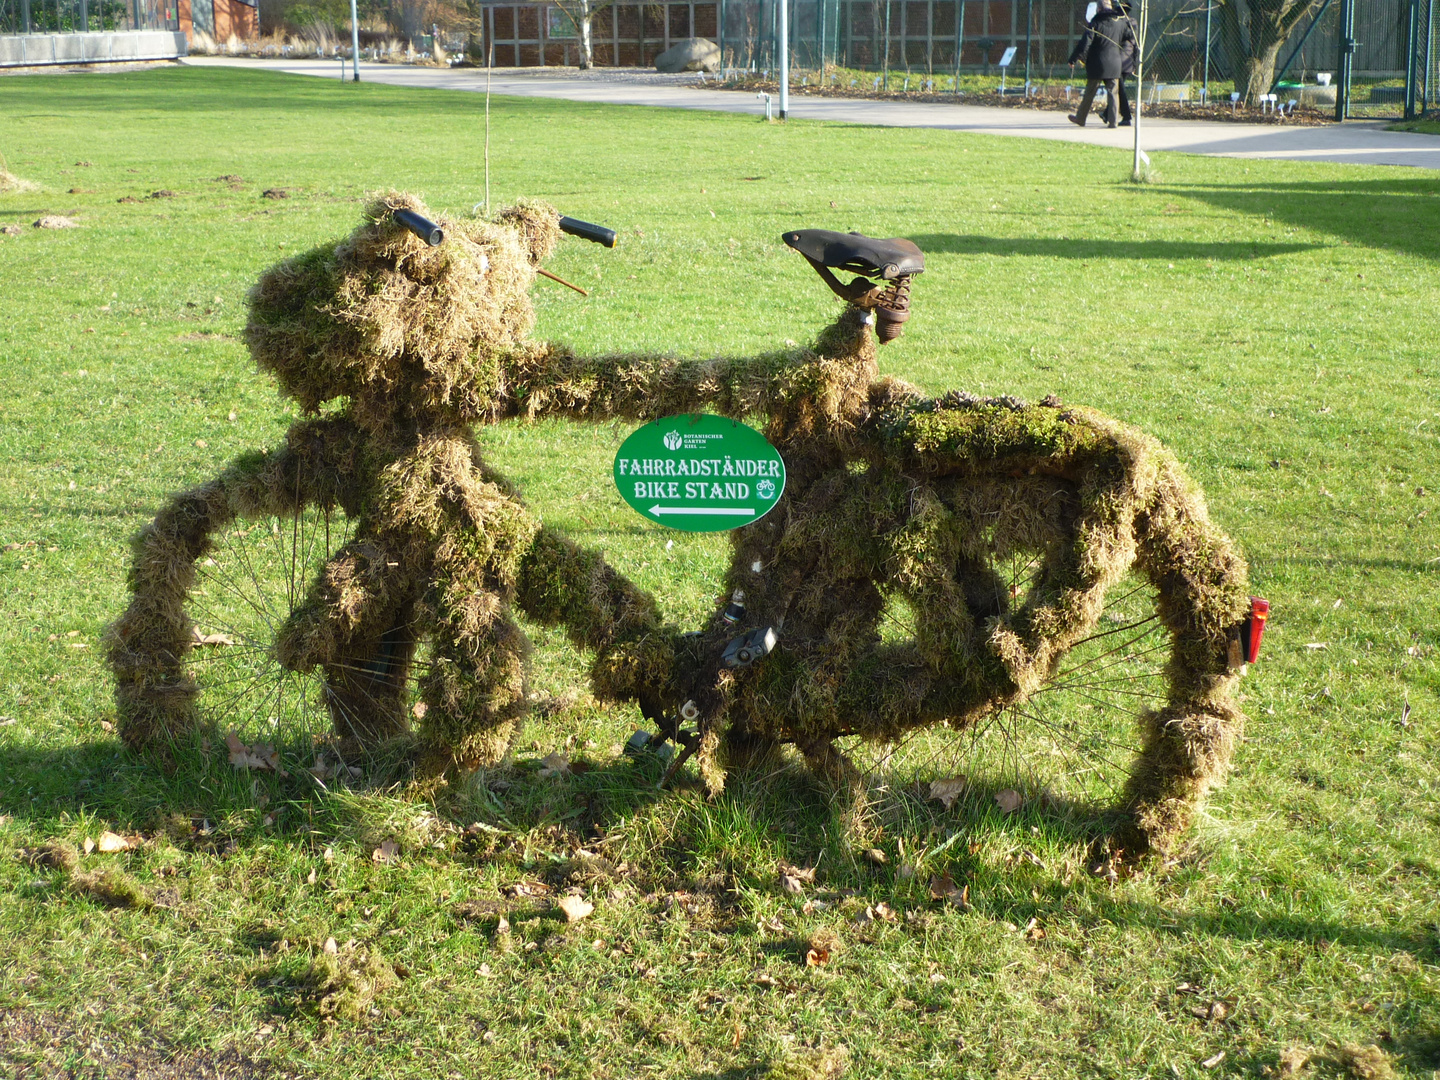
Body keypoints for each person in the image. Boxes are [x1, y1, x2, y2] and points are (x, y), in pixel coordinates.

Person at [1066, 0, 1137, 129]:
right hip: (1115, 63)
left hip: (1097, 63)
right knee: (1113, 92)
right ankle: (1113, 121)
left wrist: (1074, 58)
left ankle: (1081, 118)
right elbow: (1130, 35)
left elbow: (1085, 43)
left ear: (1099, 9)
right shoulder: (1120, 23)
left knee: (1090, 92)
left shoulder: (1096, 23)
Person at [1103, 2, 1138, 127]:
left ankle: (1126, 116)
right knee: (1118, 89)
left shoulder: (1121, 23)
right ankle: (1107, 114)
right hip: (1128, 61)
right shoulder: (1132, 22)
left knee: (1119, 90)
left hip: (1120, 62)